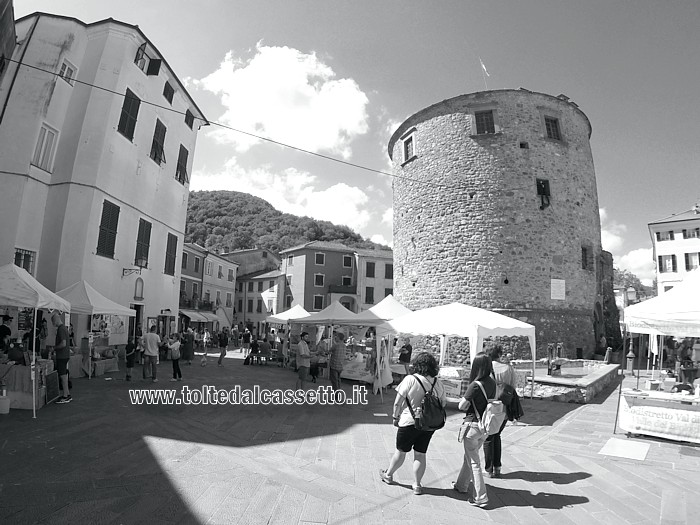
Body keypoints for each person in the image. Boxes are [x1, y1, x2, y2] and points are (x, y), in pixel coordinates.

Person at [379, 352, 446, 496]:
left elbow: (398, 402)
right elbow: (443, 403)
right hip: (428, 424)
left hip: (409, 421)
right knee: (420, 454)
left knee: (401, 451)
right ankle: (417, 484)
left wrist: (395, 417)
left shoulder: (410, 379)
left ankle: (389, 475)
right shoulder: (437, 382)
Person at [452, 352, 496, 507]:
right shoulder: (492, 382)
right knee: (470, 457)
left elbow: (461, 406)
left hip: (472, 426)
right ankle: (461, 485)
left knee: (474, 462)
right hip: (484, 427)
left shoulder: (475, 385)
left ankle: (480, 496)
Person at [483, 344, 516, 478]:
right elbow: (513, 388)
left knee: (489, 437)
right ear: (499, 354)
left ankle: (488, 469)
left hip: (491, 408)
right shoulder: (509, 369)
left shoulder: (486, 368)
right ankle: (497, 467)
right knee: (496, 435)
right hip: (505, 408)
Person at [52, 312, 72, 404]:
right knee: (64, 375)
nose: (53, 324)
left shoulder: (61, 329)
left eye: (53, 322)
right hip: (65, 355)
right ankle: (67, 393)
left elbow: (63, 344)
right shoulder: (63, 328)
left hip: (62, 356)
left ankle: (65, 395)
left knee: (63, 376)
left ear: (56, 320)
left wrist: (54, 348)